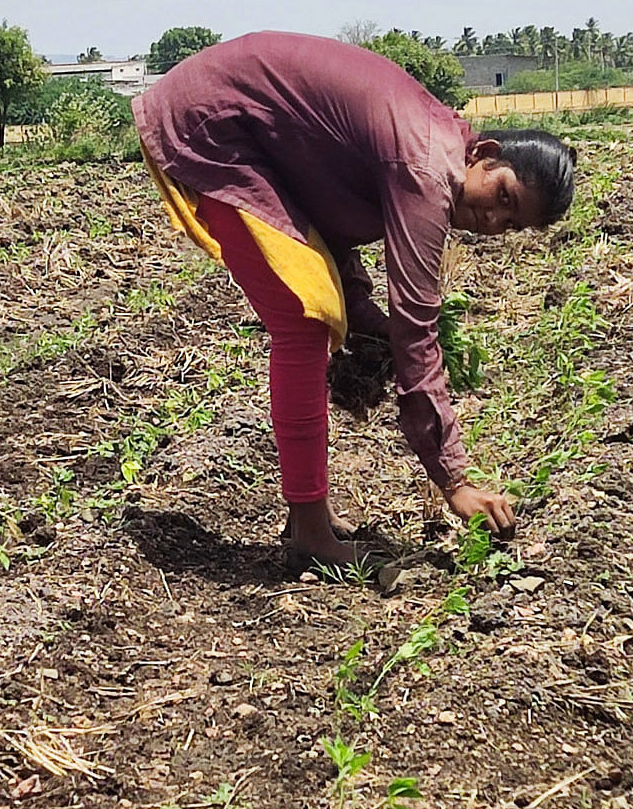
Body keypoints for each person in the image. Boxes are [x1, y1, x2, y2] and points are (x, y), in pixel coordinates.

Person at [132, 32, 578, 570]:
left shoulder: (433, 146)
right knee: (302, 320)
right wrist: (454, 480)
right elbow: (418, 327)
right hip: (213, 126)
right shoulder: (427, 167)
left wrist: (371, 327)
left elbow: (329, 224)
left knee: (319, 305)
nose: (492, 220)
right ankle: (310, 530)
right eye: (502, 196)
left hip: (239, 125)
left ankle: (306, 516)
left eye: (511, 224)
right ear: (484, 155)